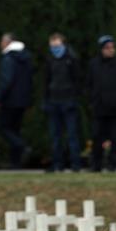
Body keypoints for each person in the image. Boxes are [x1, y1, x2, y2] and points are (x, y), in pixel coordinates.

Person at [87, 35, 116, 172]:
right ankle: (96, 165)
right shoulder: (94, 64)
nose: (110, 50)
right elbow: (88, 84)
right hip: (99, 107)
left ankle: (113, 165)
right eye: (107, 48)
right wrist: (93, 99)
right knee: (97, 137)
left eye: (112, 47)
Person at [0, 32, 33, 169]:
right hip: (22, 100)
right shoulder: (25, 57)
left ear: (8, 42)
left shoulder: (8, 59)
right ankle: (15, 162)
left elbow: (6, 81)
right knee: (15, 129)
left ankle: (21, 147)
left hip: (10, 100)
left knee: (5, 127)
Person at [44, 32, 81, 172]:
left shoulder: (71, 59)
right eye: (52, 46)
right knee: (55, 135)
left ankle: (75, 164)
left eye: (57, 45)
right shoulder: (50, 60)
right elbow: (46, 81)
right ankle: (57, 163)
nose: (55, 49)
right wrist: (46, 99)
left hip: (68, 100)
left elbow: (77, 80)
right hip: (53, 100)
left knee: (72, 134)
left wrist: (73, 97)